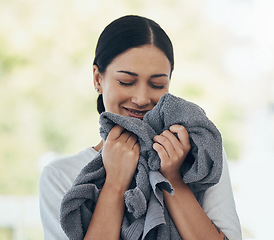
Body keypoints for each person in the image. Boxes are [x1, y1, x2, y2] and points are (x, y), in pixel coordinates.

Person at [39, 15, 242, 239]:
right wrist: (115, 184)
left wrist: (173, 179)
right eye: (126, 82)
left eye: (157, 84)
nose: (142, 98)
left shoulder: (201, 156)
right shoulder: (60, 176)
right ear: (98, 79)